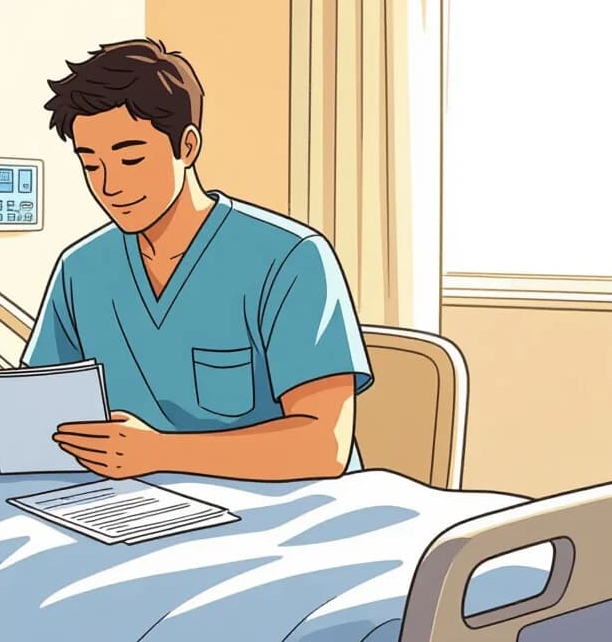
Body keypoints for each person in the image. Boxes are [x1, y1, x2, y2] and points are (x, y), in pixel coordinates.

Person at [24, 38, 374, 482]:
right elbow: (45, 410)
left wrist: (158, 452)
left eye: (131, 159)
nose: (109, 186)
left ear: (186, 147)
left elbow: (323, 448)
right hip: (129, 508)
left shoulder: (289, 259)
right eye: (91, 165)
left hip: (284, 511)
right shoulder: (83, 269)